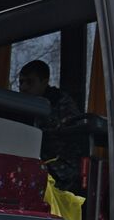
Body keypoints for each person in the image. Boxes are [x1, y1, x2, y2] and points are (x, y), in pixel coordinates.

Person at [16, 59, 85, 193]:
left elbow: (66, 142)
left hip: (61, 169)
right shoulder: (23, 105)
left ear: (44, 82)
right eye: (21, 82)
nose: (23, 87)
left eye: (30, 82)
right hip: (36, 163)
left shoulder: (61, 104)